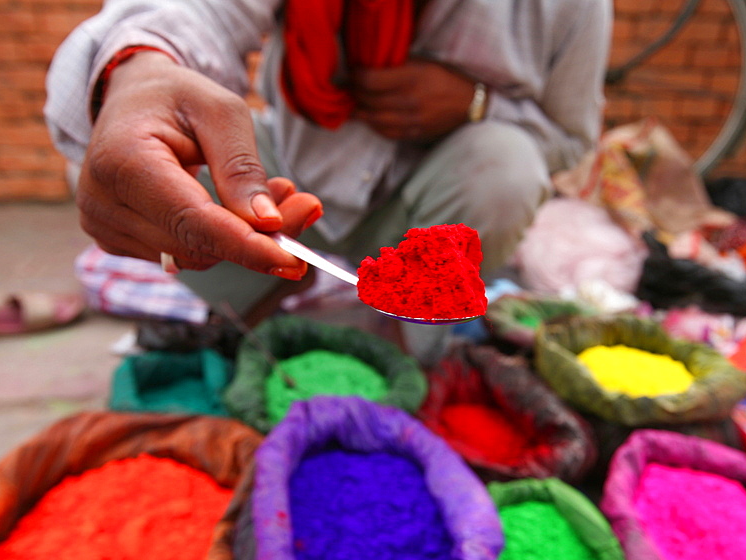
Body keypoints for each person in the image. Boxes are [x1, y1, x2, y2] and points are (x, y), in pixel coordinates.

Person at [44, 0, 612, 325]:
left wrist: (476, 105)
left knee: (507, 164)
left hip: (422, 205)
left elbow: (570, 138)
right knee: (120, 164)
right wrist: (143, 66)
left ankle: (404, 334)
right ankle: (270, 314)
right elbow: (196, 10)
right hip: (289, 189)